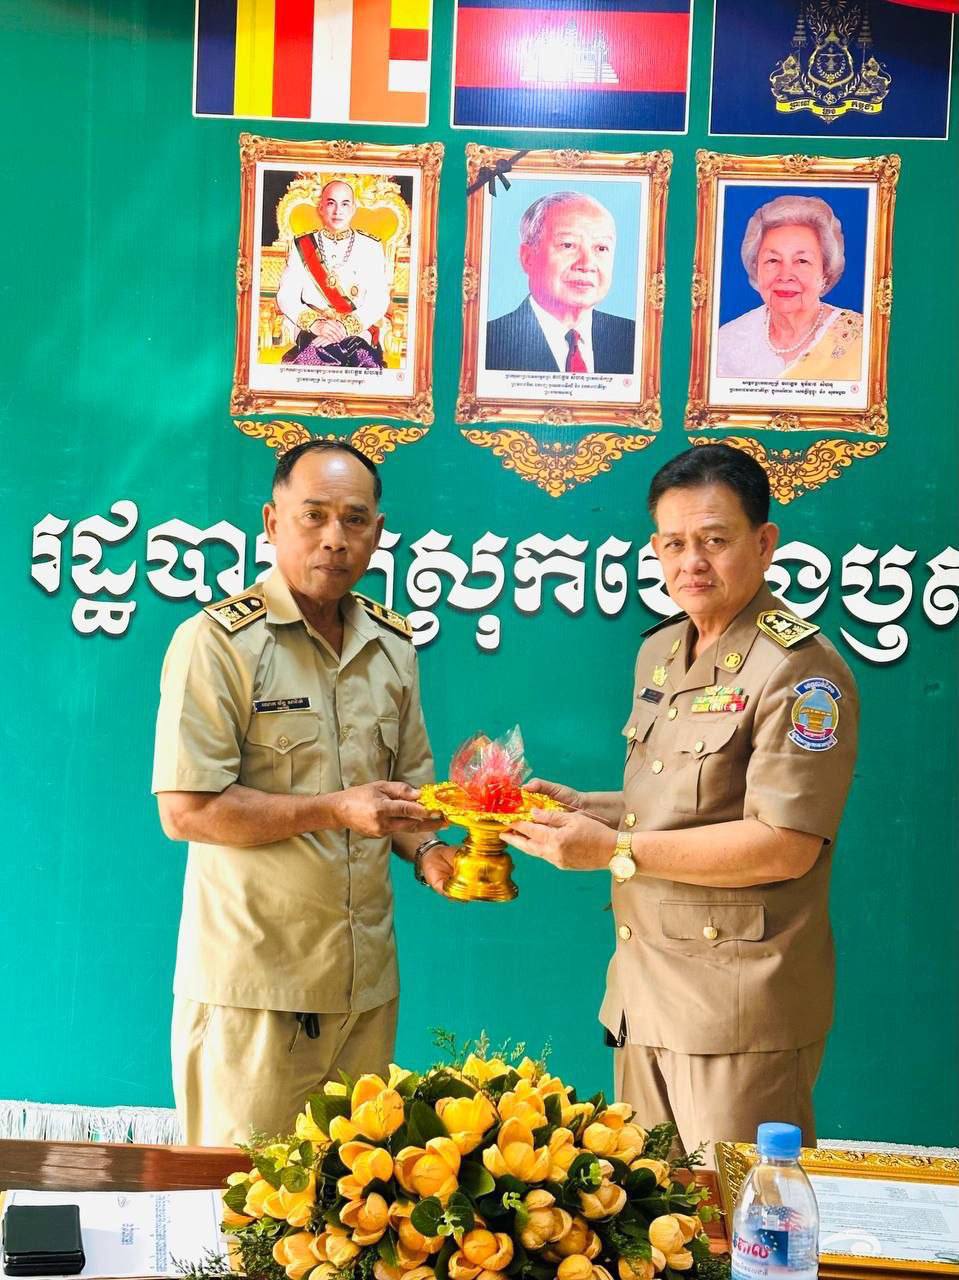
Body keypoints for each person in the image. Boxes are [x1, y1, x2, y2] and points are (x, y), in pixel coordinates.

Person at [504, 444, 859, 1160]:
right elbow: (679, 804)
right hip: (645, 993)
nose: (690, 562)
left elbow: (784, 843)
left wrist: (613, 850)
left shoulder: (800, 670)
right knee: (648, 1214)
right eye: (672, 543)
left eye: (713, 540)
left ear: (764, 543)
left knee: (741, 1213)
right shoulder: (663, 651)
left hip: (736, 1007)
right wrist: (589, 808)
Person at [152, 440, 455, 1146]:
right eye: (313, 515)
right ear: (271, 521)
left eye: (354, 519)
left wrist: (431, 850)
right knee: (240, 1198)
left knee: (355, 1198)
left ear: (378, 531)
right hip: (256, 990)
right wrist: (333, 809)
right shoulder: (216, 643)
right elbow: (186, 811)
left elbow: (408, 793)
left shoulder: (392, 644)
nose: (334, 538)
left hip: (365, 990)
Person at [716, 194, 863, 381]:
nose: (785, 275)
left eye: (802, 261)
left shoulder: (860, 340)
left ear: (825, 272)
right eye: (773, 260)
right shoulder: (726, 342)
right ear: (756, 268)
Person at [485, 191, 635, 375]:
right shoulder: (488, 343)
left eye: (601, 248)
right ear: (528, 258)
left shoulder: (634, 339)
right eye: (568, 245)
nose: (587, 264)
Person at [276, 179, 390, 369]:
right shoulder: (302, 245)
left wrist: (345, 327)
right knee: (318, 358)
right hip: (312, 331)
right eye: (331, 203)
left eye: (345, 204)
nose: (338, 211)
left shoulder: (371, 246)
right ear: (321, 208)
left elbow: (378, 300)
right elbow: (286, 296)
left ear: (353, 208)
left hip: (357, 331)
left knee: (360, 361)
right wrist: (316, 325)